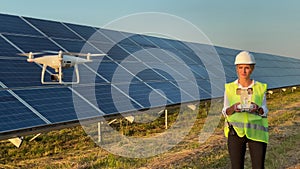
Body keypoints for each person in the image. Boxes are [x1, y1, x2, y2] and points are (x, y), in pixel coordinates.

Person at [222, 51, 269, 169]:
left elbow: (264, 110)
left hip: (256, 132)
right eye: (240, 67)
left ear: (252, 69)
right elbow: (225, 111)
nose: (243, 71)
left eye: (247, 68)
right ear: (236, 69)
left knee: (258, 166)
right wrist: (233, 108)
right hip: (235, 132)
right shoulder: (229, 88)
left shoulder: (260, 87)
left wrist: (257, 109)